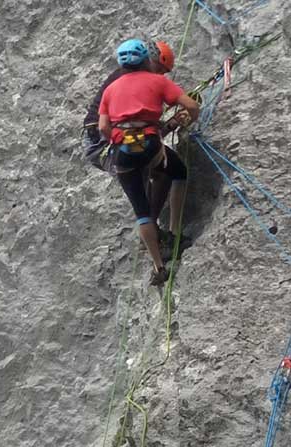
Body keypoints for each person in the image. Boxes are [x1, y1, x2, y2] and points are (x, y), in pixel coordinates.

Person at [98, 39, 200, 286]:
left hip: (123, 150)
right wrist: (189, 119)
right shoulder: (158, 81)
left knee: (141, 211)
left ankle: (159, 268)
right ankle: (174, 233)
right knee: (177, 171)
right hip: (150, 145)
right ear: (146, 59)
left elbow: (103, 127)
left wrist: (117, 139)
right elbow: (191, 104)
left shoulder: (110, 89)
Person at [81, 40, 175, 171]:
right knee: (139, 174)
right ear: (148, 61)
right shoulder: (128, 80)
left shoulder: (130, 77)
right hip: (99, 139)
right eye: (158, 69)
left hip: (103, 134)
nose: (159, 75)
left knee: (164, 169)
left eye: (163, 72)